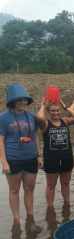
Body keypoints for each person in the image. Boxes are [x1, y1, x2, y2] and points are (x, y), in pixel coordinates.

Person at [0, 84, 43, 220]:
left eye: (25, 99)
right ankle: (17, 218)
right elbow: (1, 140)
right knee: (14, 189)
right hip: (13, 158)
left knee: (29, 188)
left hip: (31, 156)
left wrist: (39, 156)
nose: (23, 102)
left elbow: (36, 137)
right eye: (20, 99)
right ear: (13, 101)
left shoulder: (31, 116)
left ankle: (30, 215)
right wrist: (4, 162)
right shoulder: (3, 117)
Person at [36, 88, 74, 207]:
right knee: (51, 185)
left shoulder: (65, 121)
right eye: (53, 111)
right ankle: (50, 208)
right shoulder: (45, 123)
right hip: (51, 159)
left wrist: (64, 105)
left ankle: (67, 205)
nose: (56, 113)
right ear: (48, 111)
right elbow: (39, 118)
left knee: (65, 183)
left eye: (57, 110)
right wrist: (43, 106)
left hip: (66, 157)